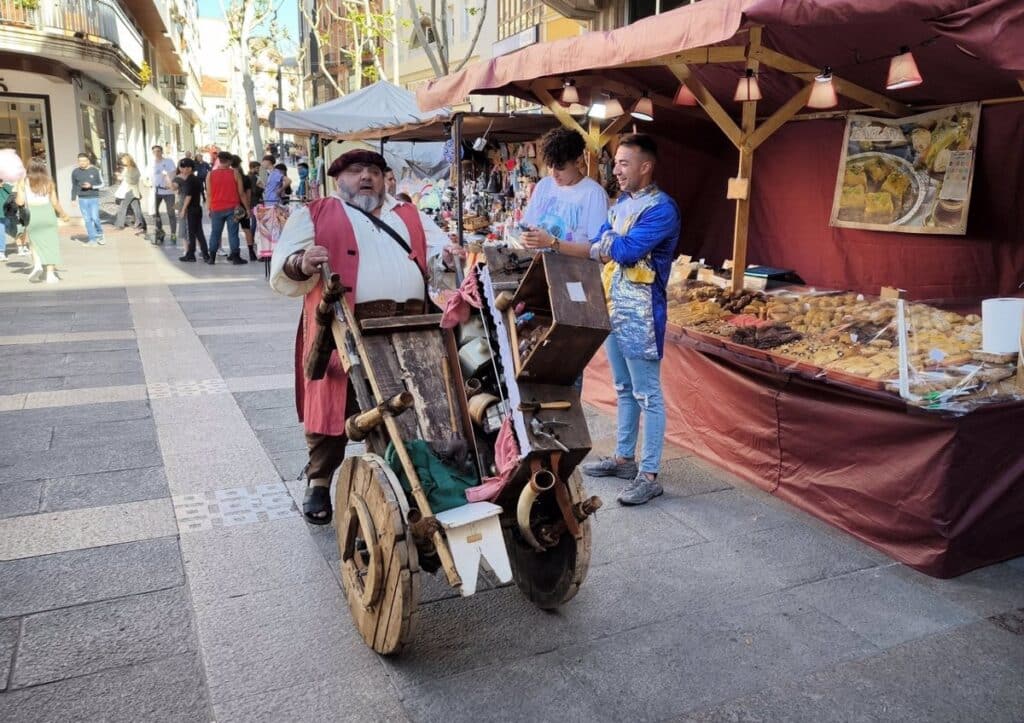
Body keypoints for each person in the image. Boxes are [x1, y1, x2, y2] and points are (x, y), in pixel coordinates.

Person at [270, 149, 449, 525]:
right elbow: (284, 264)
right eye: (355, 171)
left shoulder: (409, 214)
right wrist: (301, 263)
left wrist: (450, 257)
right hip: (341, 330)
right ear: (340, 179)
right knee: (332, 409)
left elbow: (440, 254)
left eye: (374, 171)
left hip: (406, 331)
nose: (366, 176)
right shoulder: (315, 213)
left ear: (386, 179)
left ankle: (396, 479)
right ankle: (319, 479)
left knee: (399, 409)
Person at [580, 134, 680, 506]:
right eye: (616, 163)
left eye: (623, 163)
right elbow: (602, 240)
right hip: (613, 306)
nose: (617, 170)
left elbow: (625, 249)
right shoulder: (622, 204)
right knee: (623, 387)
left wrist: (607, 245)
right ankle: (624, 457)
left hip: (642, 313)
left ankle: (649, 473)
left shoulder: (662, 209)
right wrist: (607, 245)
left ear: (645, 167)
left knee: (647, 393)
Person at [520, 127, 609, 255]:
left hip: (575, 273)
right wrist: (526, 238)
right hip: (541, 267)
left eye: (560, 168)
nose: (554, 174)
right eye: (550, 166)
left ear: (578, 161)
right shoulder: (544, 185)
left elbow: (599, 251)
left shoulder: (594, 194)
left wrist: (552, 243)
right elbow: (528, 226)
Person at [17, 157, 70, 283]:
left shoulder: (23, 181)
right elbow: (55, 202)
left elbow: (20, 201)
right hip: (47, 214)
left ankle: (37, 266)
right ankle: (50, 274)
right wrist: (63, 214)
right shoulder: (49, 182)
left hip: (33, 215)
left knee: (34, 242)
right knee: (51, 243)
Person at [204, 150, 248, 265]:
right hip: (233, 208)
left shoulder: (210, 174)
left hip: (216, 208)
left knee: (215, 233)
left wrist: (208, 208)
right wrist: (247, 208)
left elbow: (208, 194)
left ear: (219, 160)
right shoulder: (235, 173)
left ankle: (211, 257)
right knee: (233, 233)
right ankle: (236, 257)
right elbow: (241, 193)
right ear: (229, 161)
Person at [175, 158, 209, 262]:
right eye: (182, 167)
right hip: (197, 208)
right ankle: (204, 254)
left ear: (190, 168)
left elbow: (188, 196)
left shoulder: (190, 180)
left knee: (192, 233)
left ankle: (191, 255)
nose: (183, 169)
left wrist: (183, 210)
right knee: (198, 232)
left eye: (186, 167)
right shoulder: (195, 179)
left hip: (192, 209)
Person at [70, 152, 104, 246]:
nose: (82, 163)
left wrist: (91, 186)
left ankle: (100, 234)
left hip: (93, 197)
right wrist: (73, 199)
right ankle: (92, 239)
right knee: (87, 219)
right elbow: (74, 186)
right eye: (80, 161)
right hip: (82, 199)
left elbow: (102, 184)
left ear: (88, 161)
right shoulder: (75, 172)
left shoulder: (95, 170)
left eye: (84, 161)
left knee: (95, 218)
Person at [147, 145, 177, 244]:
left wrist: (171, 183)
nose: (157, 153)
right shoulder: (151, 163)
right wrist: (147, 183)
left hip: (168, 192)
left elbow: (173, 173)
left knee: (171, 213)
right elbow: (146, 176)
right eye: (155, 151)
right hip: (156, 191)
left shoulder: (168, 161)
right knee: (154, 212)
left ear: (162, 152)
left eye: (158, 151)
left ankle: (173, 234)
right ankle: (160, 231)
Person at [231, 155, 257, 260]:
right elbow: (248, 194)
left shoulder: (230, 177)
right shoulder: (245, 178)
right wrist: (248, 207)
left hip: (233, 206)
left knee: (233, 230)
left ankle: (234, 252)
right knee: (247, 229)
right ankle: (251, 252)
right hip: (243, 206)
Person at [113, 153, 146, 234]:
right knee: (136, 208)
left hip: (129, 191)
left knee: (122, 208)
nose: (122, 161)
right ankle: (141, 223)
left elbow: (133, 181)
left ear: (128, 160)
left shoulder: (133, 169)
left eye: (123, 159)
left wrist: (122, 177)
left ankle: (119, 225)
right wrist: (120, 177)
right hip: (130, 191)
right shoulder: (127, 168)